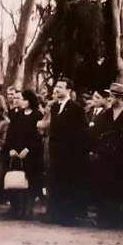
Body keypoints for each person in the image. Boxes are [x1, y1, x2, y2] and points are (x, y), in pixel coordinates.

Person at [89, 83, 123, 228]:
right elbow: (95, 132)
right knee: (106, 187)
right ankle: (105, 218)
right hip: (106, 157)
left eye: (111, 96)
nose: (109, 98)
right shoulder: (106, 114)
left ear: (120, 97)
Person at [45, 78, 88, 225]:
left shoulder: (76, 109)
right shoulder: (55, 107)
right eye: (56, 86)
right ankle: (54, 214)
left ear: (69, 90)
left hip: (70, 154)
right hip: (55, 153)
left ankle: (67, 216)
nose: (56, 89)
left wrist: (74, 152)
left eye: (60, 87)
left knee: (68, 184)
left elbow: (82, 132)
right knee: (55, 182)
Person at [4, 89, 43, 219]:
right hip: (16, 153)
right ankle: (16, 208)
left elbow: (37, 136)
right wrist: (11, 149)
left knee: (31, 181)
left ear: (29, 100)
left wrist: (28, 149)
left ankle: (28, 209)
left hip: (31, 154)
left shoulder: (37, 115)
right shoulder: (17, 115)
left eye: (23, 99)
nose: (21, 101)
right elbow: (10, 134)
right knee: (15, 180)